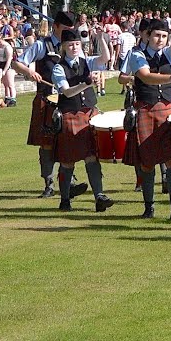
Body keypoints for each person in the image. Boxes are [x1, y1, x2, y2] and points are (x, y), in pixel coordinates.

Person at [122, 8, 171, 219]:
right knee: (147, 161)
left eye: (163, 36)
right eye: (157, 36)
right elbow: (146, 76)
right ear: (148, 36)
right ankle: (149, 206)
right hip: (146, 110)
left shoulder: (168, 54)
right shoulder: (137, 55)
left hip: (168, 110)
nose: (160, 40)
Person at [12, 11, 85, 199]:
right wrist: (29, 71)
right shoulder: (42, 45)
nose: (70, 33)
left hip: (68, 100)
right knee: (46, 144)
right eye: (66, 30)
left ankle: (69, 181)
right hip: (47, 99)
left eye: (72, 29)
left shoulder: (74, 47)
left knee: (68, 140)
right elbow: (17, 64)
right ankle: (49, 183)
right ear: (56, 27)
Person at [50, 28, 115, 212]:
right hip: (70, 115)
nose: (74, 47)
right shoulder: (59, 67)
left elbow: (105, 58)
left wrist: (102, 38)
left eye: (77, 44)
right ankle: (65, 199)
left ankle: (99, 196)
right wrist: (86, 83)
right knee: (67, 161)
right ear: (63, 46)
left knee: (92, 157)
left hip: (89, 114)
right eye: (70, 45)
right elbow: (67, 92)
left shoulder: (86, 62)